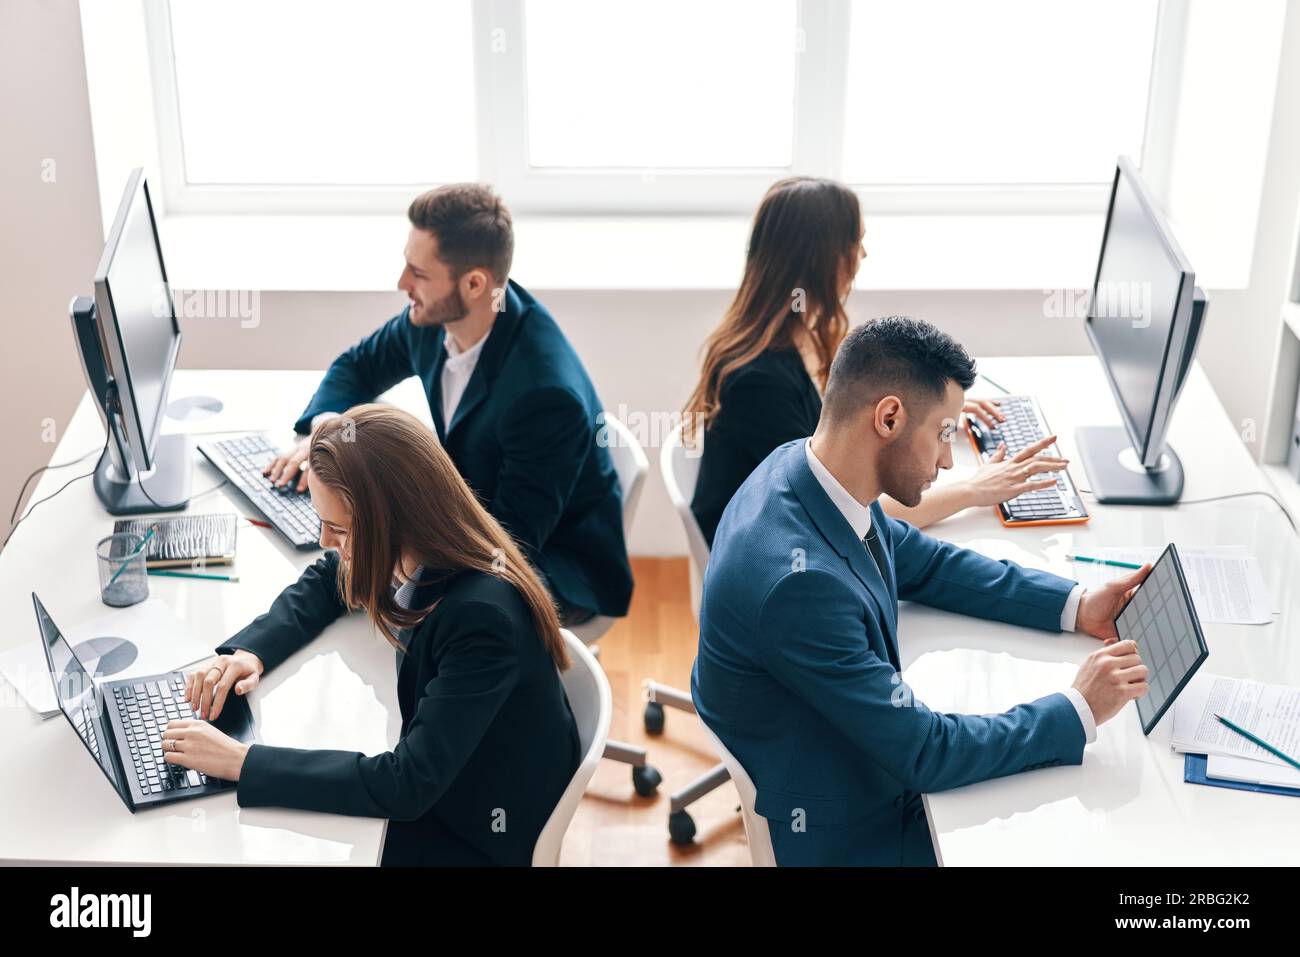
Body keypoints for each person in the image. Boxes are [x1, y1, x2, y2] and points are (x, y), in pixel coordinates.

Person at [691, 316, 1151, 866]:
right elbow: (925, 752)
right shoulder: (800, 587)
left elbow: (926, 564)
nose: (948, 460)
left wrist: (1075, 606)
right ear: (889, 417)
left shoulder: (806, 468)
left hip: (848, 752)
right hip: (853, 828)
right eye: (944, 433)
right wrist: (1078, 707)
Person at [162, 405, 581, 866]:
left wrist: (243, 762)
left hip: (475, 828)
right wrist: (252, 652)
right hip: (452, 779)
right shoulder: (419, 547)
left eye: (338, 528)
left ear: (393, 521)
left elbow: (408, 785)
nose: (324, 540)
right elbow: (330, 579)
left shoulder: (482, 618)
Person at [264, 184, 631, 625]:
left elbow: (508, 545)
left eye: (418, 273)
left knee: (373, 605)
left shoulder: (546, 395)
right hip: (476, 517)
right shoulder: (434, 320)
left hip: (553, 565)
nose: (402, 284)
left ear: (474, 283)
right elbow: (358, 366)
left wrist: (387, 542)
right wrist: (326, 436)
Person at [684, 176, 1067, 547]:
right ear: (821, 258)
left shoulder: (795, 335)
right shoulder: (759, 382)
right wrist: (974, 490)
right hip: (764, 554)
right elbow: (840, 511)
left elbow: (839, 433)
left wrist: (930, 417)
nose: (862, 255)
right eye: (856, 242)